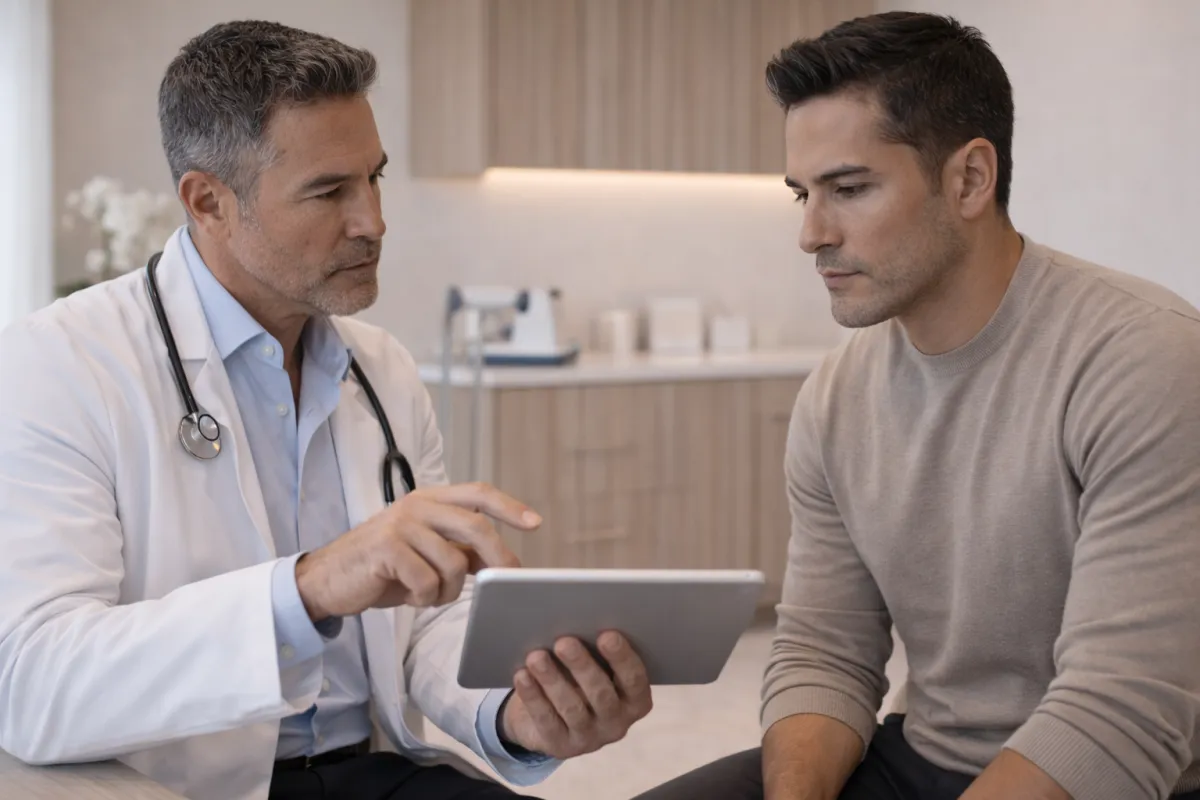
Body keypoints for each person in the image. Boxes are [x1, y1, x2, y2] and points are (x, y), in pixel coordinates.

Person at [0, 20, 653, 800]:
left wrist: (514, 713)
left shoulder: (381, 369)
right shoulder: (56, 364)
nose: (373, 221)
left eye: (373, 178)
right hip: (180, 785)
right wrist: (307, 589)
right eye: (329, 190)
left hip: (368, 770)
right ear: (208, 201)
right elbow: (31, 684)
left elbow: (425, 624)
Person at [635, 10, 1200, 800]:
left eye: (850, 189)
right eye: (803, 193)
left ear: (970, 178)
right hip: (924, 758)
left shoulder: (1146, 358)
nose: (810, 233)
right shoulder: (835, 397)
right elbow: (824, 651)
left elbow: (1122, 709)